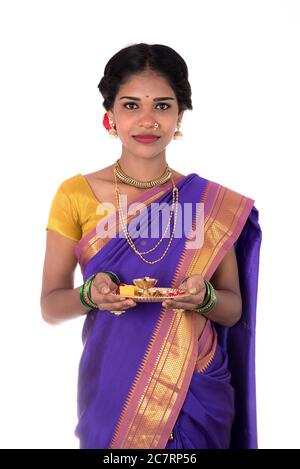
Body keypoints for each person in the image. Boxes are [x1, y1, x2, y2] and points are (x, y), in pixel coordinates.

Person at [40, 43, 262, 449]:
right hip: (113, 384)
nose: (147, 119)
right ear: (109, 115)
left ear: (179, 115)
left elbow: (233, 310)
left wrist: (206, 297)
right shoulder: (77, 194)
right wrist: (90, 294)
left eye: (162, 106)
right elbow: (51, 306)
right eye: (130, 105)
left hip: (197, 381)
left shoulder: (210, 203)